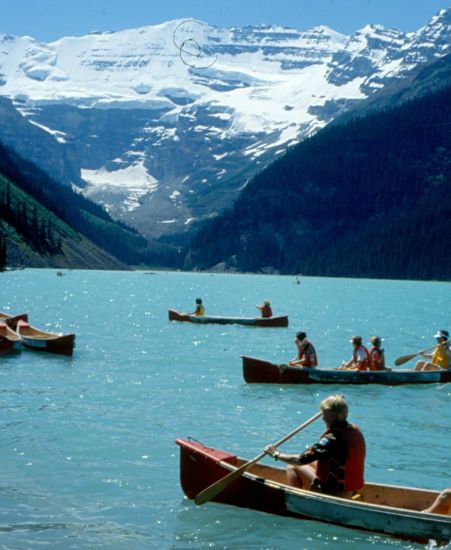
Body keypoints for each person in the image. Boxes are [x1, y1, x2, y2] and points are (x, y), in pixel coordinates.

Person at [265, 395, 365, 498]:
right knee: (314, 462)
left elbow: (300, 460)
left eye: (325, 415)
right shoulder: (354, 430)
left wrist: (275, 454)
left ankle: (298, 501)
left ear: (334, 416)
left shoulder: (332, 438)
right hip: (349, 489)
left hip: (333, 493)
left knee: (293, 466)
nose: (323, 419)